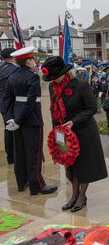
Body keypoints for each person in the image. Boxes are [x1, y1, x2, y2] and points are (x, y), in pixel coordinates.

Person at [43, 56, 108, 212]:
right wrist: (55, 132)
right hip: (64, 133)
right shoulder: (53, 87)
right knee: (70, 167)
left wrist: (74, 121)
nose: (54, 81)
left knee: (83, 166)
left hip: (83, 131)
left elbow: (92, 108)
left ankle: (81, 197)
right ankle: (74, 195)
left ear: (65, 73)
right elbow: (53, 110)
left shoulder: (81, 86)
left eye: (55, 77)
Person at [3, 47, 57, 195]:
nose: (34, 62)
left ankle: (22, 183)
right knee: (34, 153)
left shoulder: (12, 76)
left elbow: (6, 100)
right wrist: (19, 120)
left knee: (20, 153)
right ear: (27, 61)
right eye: (32, 59)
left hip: (15, 120)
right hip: (31, 120)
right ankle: (36, 185)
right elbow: (31, 102)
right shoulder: (32, 77)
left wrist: (10, 120)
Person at [0, 48, 19, 165]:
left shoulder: (1, 68)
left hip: (2, 103)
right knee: (13, 128)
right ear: (13, 57)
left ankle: (10, 156)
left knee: (8, 128)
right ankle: (13, 156)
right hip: (12, 103)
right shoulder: (15, 69)